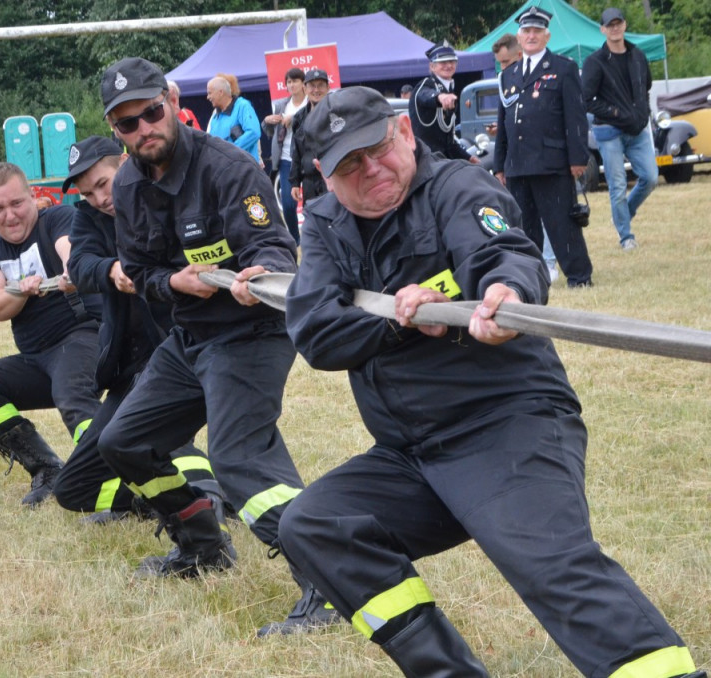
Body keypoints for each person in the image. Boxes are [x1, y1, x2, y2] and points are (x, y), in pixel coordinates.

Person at [281, 85, 706, 678]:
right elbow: (316, 334)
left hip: (505, 425)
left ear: (404, 133)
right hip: (411, 453)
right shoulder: (326, 224)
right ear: (327, 179)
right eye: (350, 165)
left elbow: (508, 256)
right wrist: (405, 324)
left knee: (549, 565)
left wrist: (506, 294)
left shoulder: (459, 187)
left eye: (377, 148)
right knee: (315, 524)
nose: (370, 169)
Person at [95, 56, 338, 636]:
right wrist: (169, 283)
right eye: (128, 124)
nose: (144, 129)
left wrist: (261, 272)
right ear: (116, 132)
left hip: (251, 333)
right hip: (191, 336)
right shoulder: (127, 184)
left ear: (173, 104)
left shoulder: (229, 168)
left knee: (237, 458)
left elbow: (279, 249)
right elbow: (141, 269)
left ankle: (330, 584)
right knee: (123, 442)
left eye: (152, 112)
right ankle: (203, 546)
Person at [55, 135, 226, 524]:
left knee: (164, 439)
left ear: (124, 162)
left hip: (180, 350)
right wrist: (113, 270)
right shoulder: (88, 216)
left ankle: (210, 503)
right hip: (129, 367)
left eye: (102, 183)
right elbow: (79, 265)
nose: (99, 198)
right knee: (72, 489)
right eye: (87, 193)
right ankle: (159, 500)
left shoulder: (159, 196)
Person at [0, 162, 103, 507]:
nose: (10, 216)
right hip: (37, 357)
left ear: (33, 197)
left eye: (17, 203)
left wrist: (71, 269)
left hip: (83, 337)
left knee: (72, 395)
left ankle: (112, 480)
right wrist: (20, 291)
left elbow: (71, 250)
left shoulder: (57, 218)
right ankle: (46, 468)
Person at [493, 6, 594, 288]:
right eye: (527, 31)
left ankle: (579, 276)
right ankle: (531, 278)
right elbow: (504, 124)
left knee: (562, 223)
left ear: (547, 36)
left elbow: (575, 117)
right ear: (519, 37)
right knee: (524, 228)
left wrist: (578, 158)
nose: (532, 35)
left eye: (537, 31)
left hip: (552, 162)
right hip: (517, 164)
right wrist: (499, 164)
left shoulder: (563, 68)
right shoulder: (507, 76)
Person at [582, 7, 656, 251]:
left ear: (624, 25)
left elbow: (646, 86)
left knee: (650, 177)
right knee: (617, 185)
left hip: (637, 129)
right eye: (609, 24)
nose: (614, 28)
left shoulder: (638, 55)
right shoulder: (595, 62)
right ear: (602, 29)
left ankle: (625, 212)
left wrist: (642, 112)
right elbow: (587, 99)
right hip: (609, 131)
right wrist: (616, 113)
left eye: (618, 23)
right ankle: (626, 237)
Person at [492, 32, 561, 283]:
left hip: (543, 159)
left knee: (548, 214)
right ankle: (532, 265)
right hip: (515, 164)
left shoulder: (542, 76)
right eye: (500, 63)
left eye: (507, 62)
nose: (503, 68)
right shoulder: (504, 81)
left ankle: (550, 262)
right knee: (523, 218)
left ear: (521, 55)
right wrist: (499, 166)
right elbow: (503, 129)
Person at [409, 42, 478, 163]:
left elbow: (449, 142)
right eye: (443, 62)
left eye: (452, 62)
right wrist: (439, 97)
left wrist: (469, 158)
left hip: (442, 160)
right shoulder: (427, 84)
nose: (448, 65)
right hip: (425, 159)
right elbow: (423, 95)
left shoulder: (450, 89)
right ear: (432, 66)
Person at [262, 67, 306, 244]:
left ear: (303, 84)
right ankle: (295, 239)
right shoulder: (281, 104)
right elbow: (270, 133)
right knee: (287, 205)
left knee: (313, 204)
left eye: (295, 81)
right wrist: (267, 121)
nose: (292, 85)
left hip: (307, 158)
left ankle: (314, 238)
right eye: (289, 81)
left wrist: (293, 119)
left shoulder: (310, 103)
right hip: (286, 159)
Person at [289, 68, 331, 206]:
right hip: (309, 183)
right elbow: (296, 153)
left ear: (328, 88)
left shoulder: (337, 113)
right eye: (312, 85)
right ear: (305, 89)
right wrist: (295, 182)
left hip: (332, 180)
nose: (316, 90)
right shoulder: (299, 118)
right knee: (313, 223)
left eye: (321, 85)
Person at [205, 75, 261, 162]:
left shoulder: (243, 106)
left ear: (220, 92)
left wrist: (229, 151)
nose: (207, 97)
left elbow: (254, 132)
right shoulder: (215, 117)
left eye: (210, 93)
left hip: (245, 170)